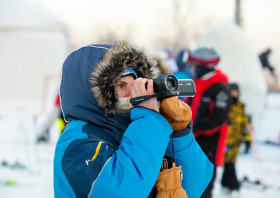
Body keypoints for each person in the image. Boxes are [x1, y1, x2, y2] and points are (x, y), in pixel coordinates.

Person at [53, 41, 213, 198]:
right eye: (121, 86)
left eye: (135, 85)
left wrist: (178, 133)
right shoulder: (75, 144)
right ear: (93, 94)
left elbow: (193, 187)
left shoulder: (141, 131)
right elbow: (123, 192)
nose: (132, 93)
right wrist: (149, 119)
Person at [184, 47, 231, 198]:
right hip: (190, 143)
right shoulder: (195, 84)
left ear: (204, 66)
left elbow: (218, 119)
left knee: (203, 190)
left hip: (209, 147)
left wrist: (191, 127)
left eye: (195, 66)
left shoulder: (220, 88)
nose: (192, 69)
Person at [221, 83, 248, 193]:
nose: (234, 94)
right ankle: (233, 185)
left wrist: (247, 140)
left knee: (231, 163)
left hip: (236, 142)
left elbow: (244, 125)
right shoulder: (226, 106)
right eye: (232, 92)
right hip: (226, 142)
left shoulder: (240, 108)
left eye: (236, 92)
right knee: (229, 164)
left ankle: (225, 183)